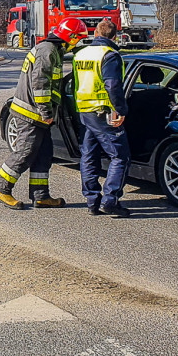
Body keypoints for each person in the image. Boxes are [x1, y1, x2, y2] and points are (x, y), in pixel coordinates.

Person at [0, 16, 88, 210]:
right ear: (69, 36)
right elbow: (40, 85)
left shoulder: (53, 49)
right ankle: (2, 189)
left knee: (44, 155)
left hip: (38, 115)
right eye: (77, 38)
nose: (77, 42)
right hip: (31, 113)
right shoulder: (47, 51)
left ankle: (40, 196)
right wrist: (46, 111)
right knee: (25, 152)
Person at [73, 18, 132, 217]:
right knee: (119, 156)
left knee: (89, 155)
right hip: (104, 111)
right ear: (114, 36)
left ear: (96, 34)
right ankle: (110, 200)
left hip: (85, 110)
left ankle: (92, 201)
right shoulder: (110, 55)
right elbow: (113, 85)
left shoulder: (81, 54)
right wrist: (121, 110)